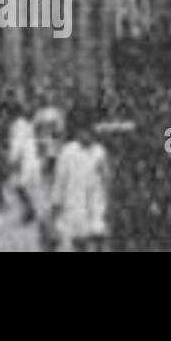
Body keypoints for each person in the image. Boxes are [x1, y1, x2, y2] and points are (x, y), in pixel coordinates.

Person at [52, 107, 109, 252]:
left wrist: (108, 201)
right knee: (80, 243)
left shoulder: (99, 152)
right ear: (77, 132)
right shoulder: (67, 152)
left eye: (89, 131)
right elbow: (60, 181)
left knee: (98, 240)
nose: (86, 135)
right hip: (75, 206)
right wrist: (56, 204)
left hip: (96, 205)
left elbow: (106, 178)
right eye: (83, 131)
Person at [7, 96, 39, 225]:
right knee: (19, 187)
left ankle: (29, 212)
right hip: (26, 159)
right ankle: (29, 211)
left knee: (19, 186)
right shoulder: (22, 123)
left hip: (24, 161)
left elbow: (17, 145)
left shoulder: (20, 124)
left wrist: (13, 160)